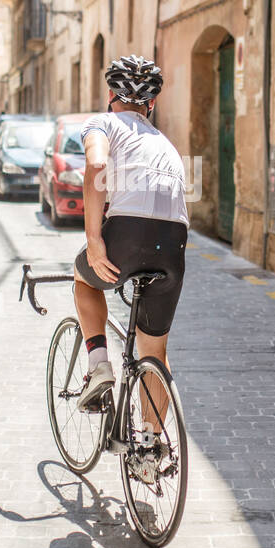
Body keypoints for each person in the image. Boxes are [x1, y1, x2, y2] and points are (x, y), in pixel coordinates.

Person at [73, 55, 189, 447]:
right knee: (154, 349)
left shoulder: (102, 123)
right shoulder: (166, 144)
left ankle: (99, 366)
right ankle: (152, 446)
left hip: (128, 232)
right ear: (151, 105)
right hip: (174, 244)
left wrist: (93, 238)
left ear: (110, 95)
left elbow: (96, 163)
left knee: (83, 280)